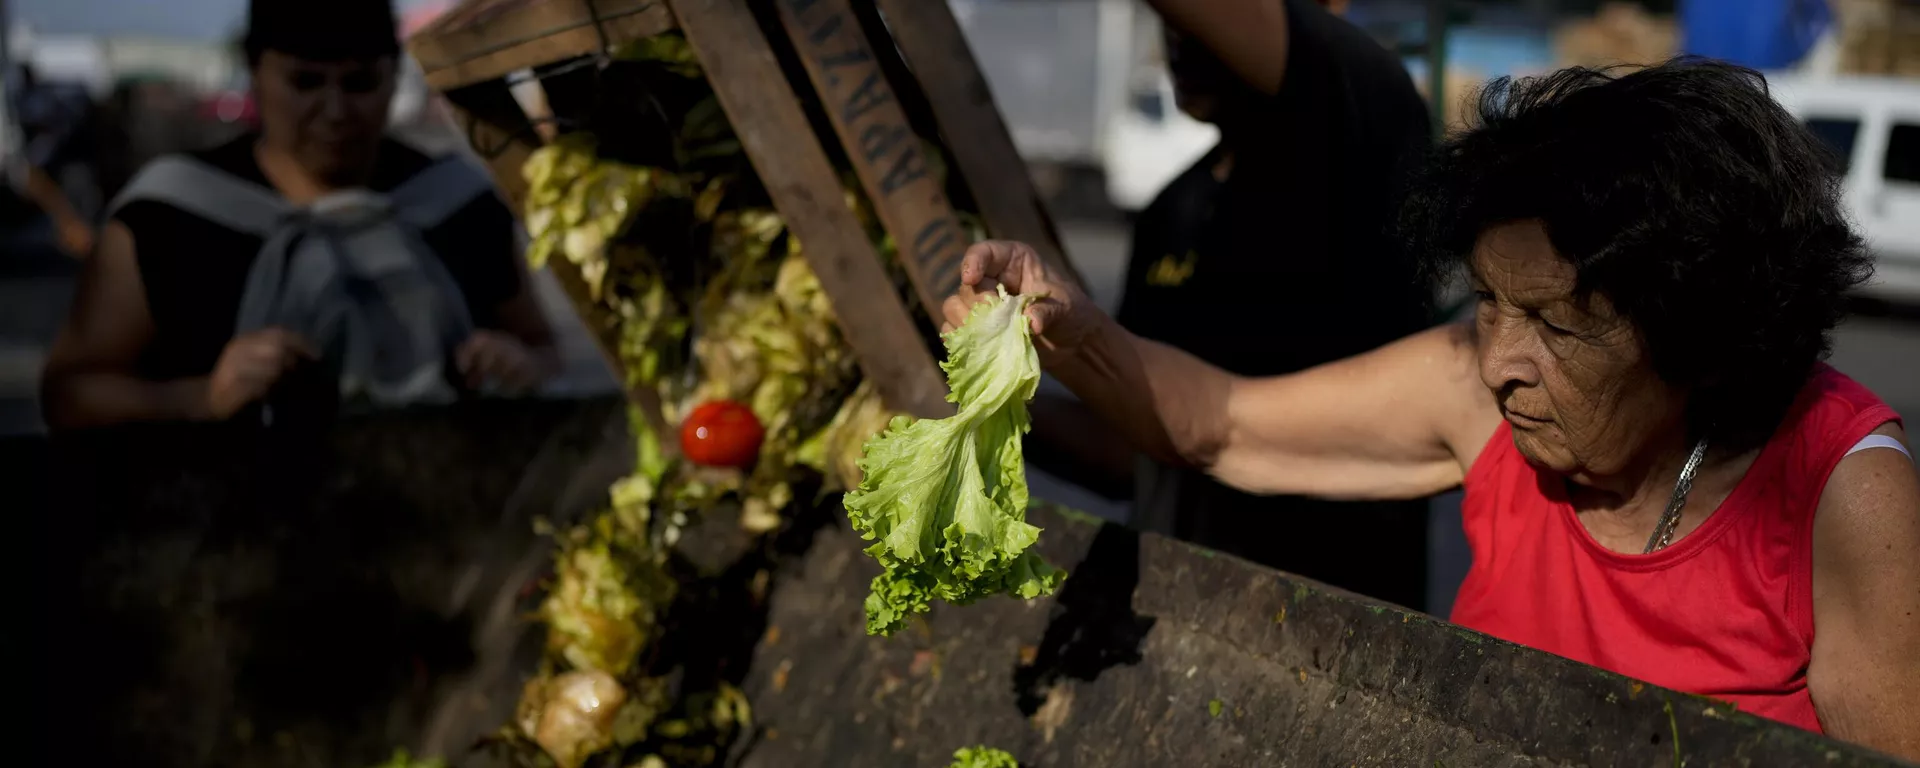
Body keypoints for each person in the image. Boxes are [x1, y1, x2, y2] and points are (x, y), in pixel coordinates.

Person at [941, 60, 1920, 754]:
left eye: (1559, 326)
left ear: (1702, 339)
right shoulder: (1480, 396)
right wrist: (1073, 330)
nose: (1501, 362)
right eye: (1492, 303)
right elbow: (1221, 424)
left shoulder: (1844, 494)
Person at [1028, 0, 1436, 608]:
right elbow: (1134, 449)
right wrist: (979, 400)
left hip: (1330, 627)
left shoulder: (1364, 116)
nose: (1179, 35)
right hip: (1180, 623)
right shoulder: (1172, 207)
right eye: (1167, 23)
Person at [40, 0, 558, 431]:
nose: (335, 112)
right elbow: (69, 394)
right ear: (255, 73)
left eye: (359, 84)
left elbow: (543, 349)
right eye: (305, 83)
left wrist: (518, 364)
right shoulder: (168, 215)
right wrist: (201, 398)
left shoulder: (457, 201)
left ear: (393, 76)